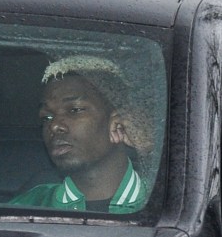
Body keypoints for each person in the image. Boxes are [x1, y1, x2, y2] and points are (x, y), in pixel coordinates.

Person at [10, 55, 147, 213]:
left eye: (74, 110)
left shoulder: (168, 205)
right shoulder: (25, 209)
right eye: (47, 117)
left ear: (119, 122)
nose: (54, 126)